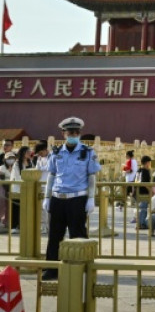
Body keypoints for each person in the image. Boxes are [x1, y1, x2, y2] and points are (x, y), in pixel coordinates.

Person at [42, 116, 102, 281]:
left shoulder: (87, 152)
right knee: (54, 235)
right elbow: (51, 175)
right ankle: (52, 268)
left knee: (78, 234)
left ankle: (81, 267)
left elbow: (91, 176)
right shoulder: (56, 152)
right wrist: (47, 197)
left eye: (76, 132)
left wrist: (91, 198)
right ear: (63, 133)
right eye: (70, 132)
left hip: (77, 198)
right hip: (57, 197)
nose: (73, 135)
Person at [9, 146, 33, 234]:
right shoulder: (16, 163)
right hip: (18, 188)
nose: (29, 153)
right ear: (23, 153)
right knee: (16, 208)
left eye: (29, 152)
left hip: (28, 188)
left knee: (25, 207)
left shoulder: (30, 162)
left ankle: (23, 225)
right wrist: (26, 182)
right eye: (27, 152)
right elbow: (17, 177)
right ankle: (14, 226)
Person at [34, 142, 50, 234]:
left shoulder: (52, 156)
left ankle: (49, 226)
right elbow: (37, 168)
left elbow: (50, 168)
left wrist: (40, 168)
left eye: (40, 152)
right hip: (41, 185)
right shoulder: (39, 158)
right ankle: (43, 226)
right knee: (42, 208)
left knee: (49, 208)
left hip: (49, 185)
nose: (39, 155)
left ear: (45, 150)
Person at [135, 156, 153, 229]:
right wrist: (151, 191)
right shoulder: (145, 171)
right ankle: (142, 224)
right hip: (143, 192)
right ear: (147, 163)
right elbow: (144, 182)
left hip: (138, 191)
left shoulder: (139, 170)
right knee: (143, 208)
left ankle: (139, 223)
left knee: (140, 208)